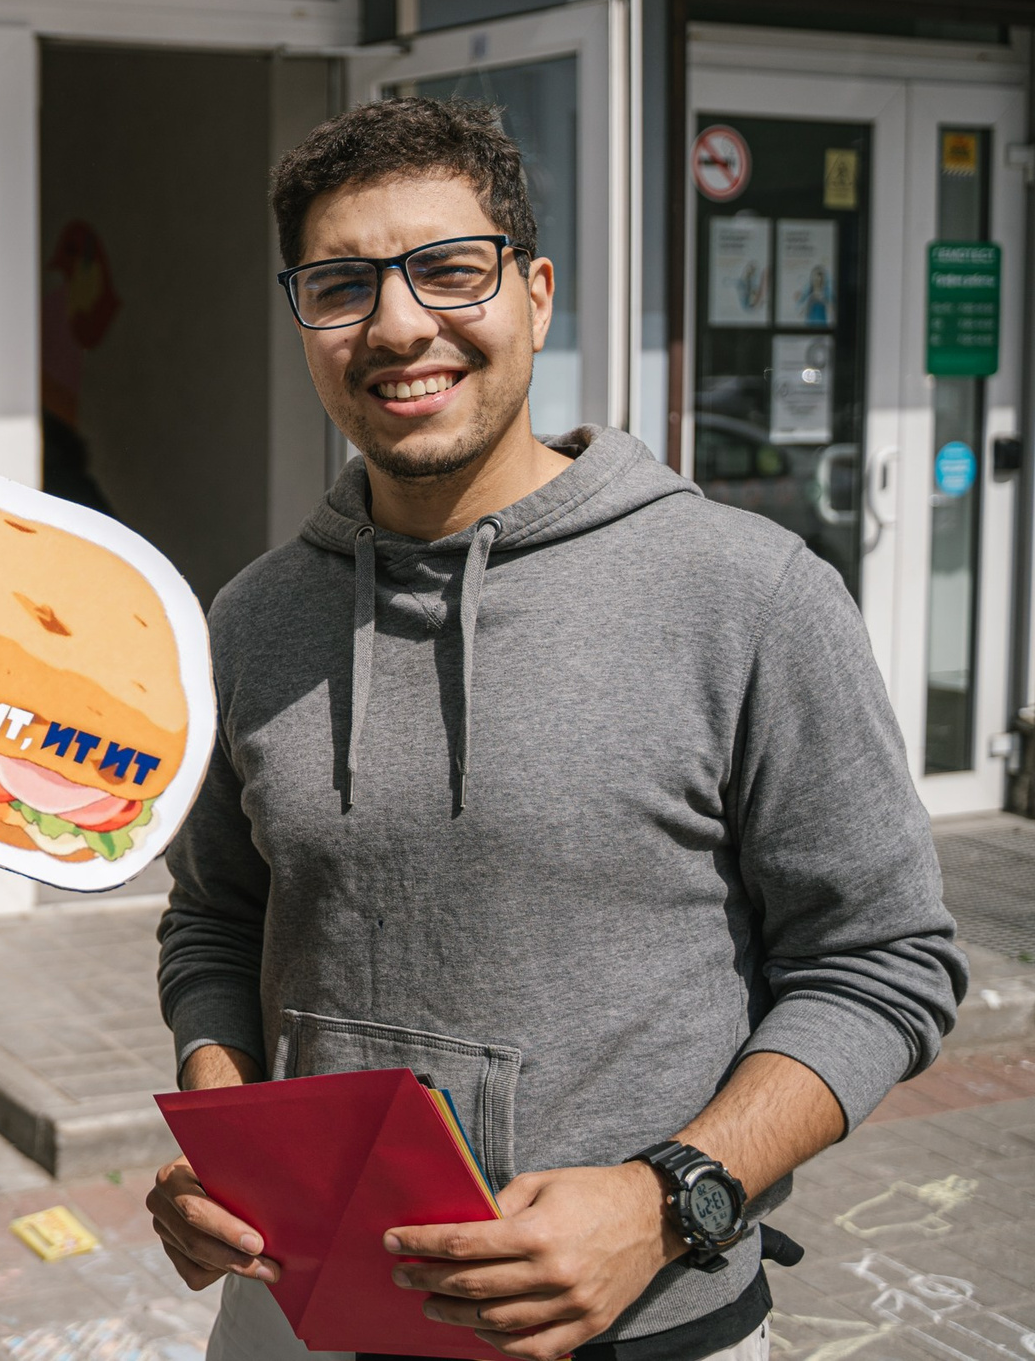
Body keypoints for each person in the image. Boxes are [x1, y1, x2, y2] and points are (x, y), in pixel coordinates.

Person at [147, 100, 964, 1361]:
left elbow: (883, 962)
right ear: (302, 320)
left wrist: (666, 1197)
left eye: (448, 270)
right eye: (342, 285)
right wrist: (221, 1110)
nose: (400, 324)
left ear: (533, 293)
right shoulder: (250, 620)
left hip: (645, 1324)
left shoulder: (745, 593)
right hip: (299, 1320)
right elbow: (215, 916)